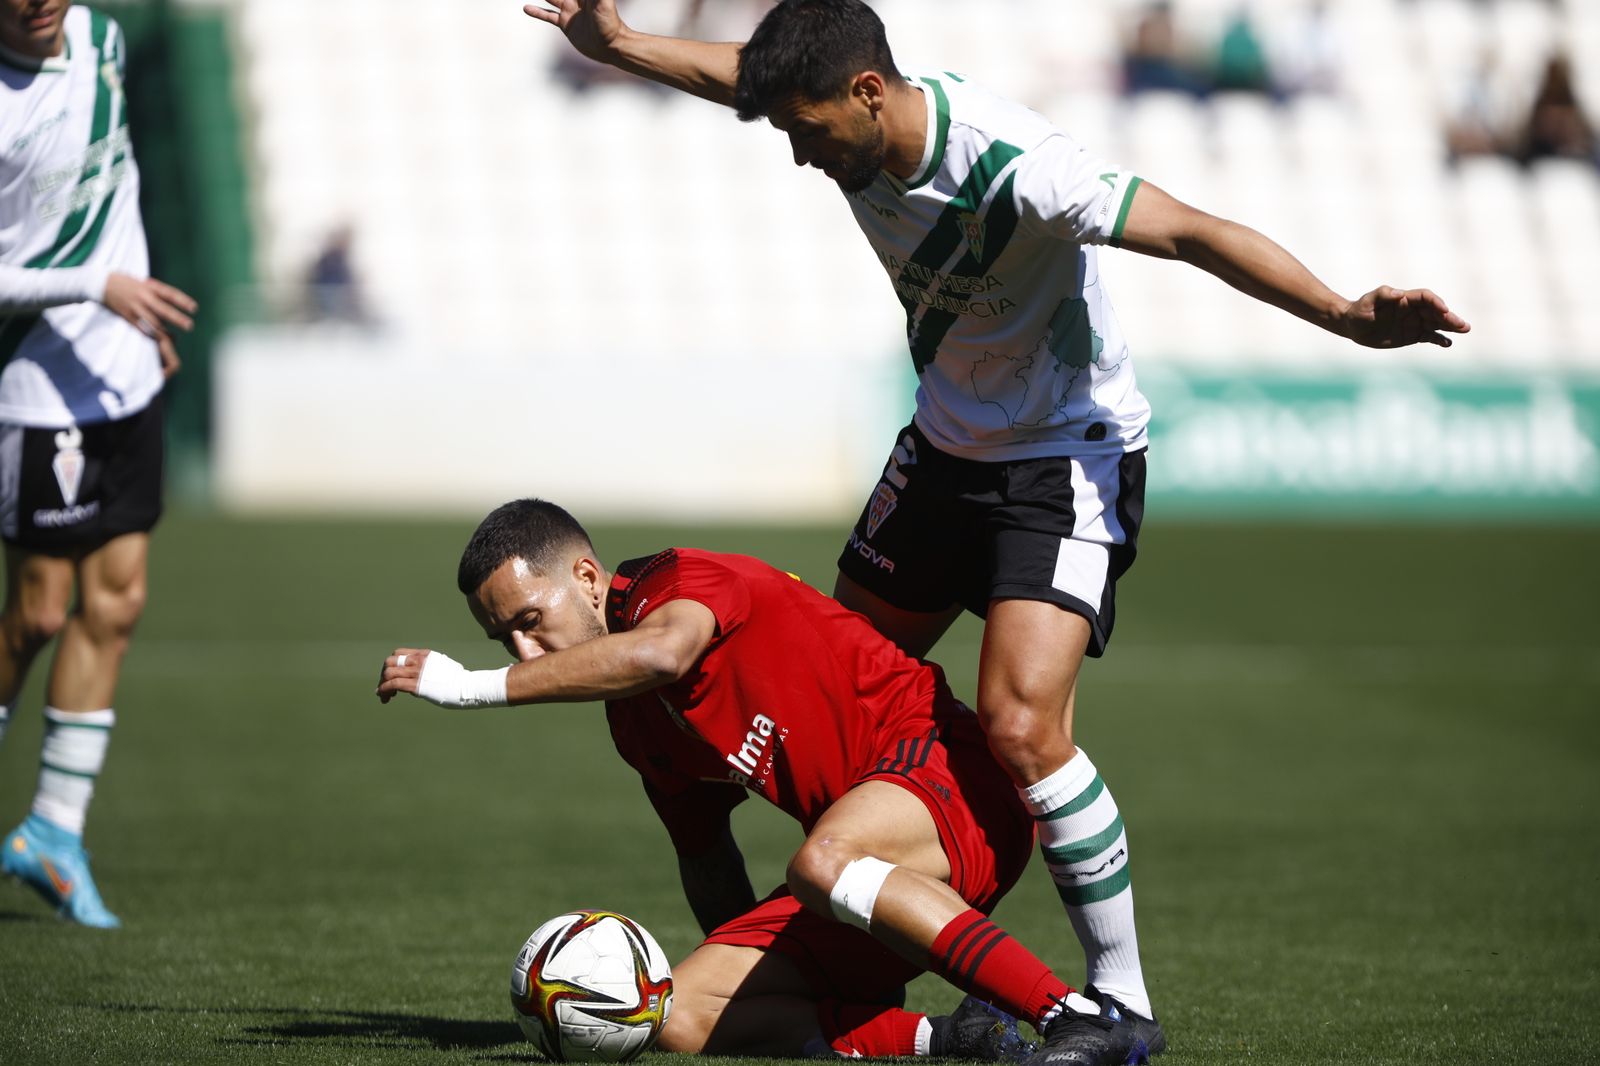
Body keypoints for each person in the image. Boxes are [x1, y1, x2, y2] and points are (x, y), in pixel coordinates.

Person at [522, 0, 1471, 1054]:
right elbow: (736, 74)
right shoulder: (835, 104)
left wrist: (1341, 313)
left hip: (1065, 456)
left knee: (1019, 723)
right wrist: (620, 47)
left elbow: (1194, 231)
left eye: (805, 130)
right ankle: (877, 945)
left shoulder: (1019, 167)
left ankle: (1120, 1003)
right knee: (839, 699)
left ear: (867, 94)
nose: (797, 157)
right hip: (941, 453)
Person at [376, 498, 1161, 1066]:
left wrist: (470, 687)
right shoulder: (634, 725)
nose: (522, 651)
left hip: (950, 774)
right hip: (879, 871)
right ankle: (951, 1039)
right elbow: (707, 858)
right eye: (500, 639)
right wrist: (777, 972)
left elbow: (660, 654)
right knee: (673, 1015)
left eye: (527, 619)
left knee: (823, 862)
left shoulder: (675, 584)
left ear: (586, 576)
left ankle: (1079, 1016)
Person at [0, 0, 198, 928]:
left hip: (124, 370)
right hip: (39, 387)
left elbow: (113, 189)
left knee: (115, 603)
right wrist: (96, 286)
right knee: (38, 609)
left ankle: (54, 831)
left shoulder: (108, 41)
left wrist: (138, 314)